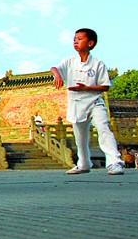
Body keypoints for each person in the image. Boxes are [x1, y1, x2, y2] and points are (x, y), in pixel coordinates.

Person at [51, 28, 123, 175]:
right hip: (76, 104)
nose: (75, 41)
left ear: (90, 43)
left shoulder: (98, 64)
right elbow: (54, 68)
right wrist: (57, 75)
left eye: (79, 39)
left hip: (95, 103)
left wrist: (86, 88)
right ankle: (83, 164)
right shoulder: (70, 61)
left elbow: (105, 86)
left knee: (103, 129)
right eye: (74, 39)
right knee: (80, 138)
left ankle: (115, 162)